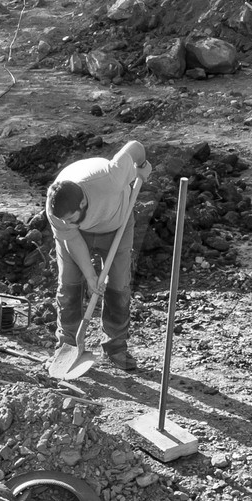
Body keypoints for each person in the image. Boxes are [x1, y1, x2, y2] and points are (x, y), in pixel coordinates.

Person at [46, 139, 151, 370]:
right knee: (69, 284)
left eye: (72, 218)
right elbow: (72, 237)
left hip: (117, 226)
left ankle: (116, 348)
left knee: (118, 285)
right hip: (78, 238)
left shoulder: (111, 177)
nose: (67, 222)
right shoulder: (56, 210)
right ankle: (66, 345)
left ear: (83, 202)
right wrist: (91, 276)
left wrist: (142, 164)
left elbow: (135, 146)